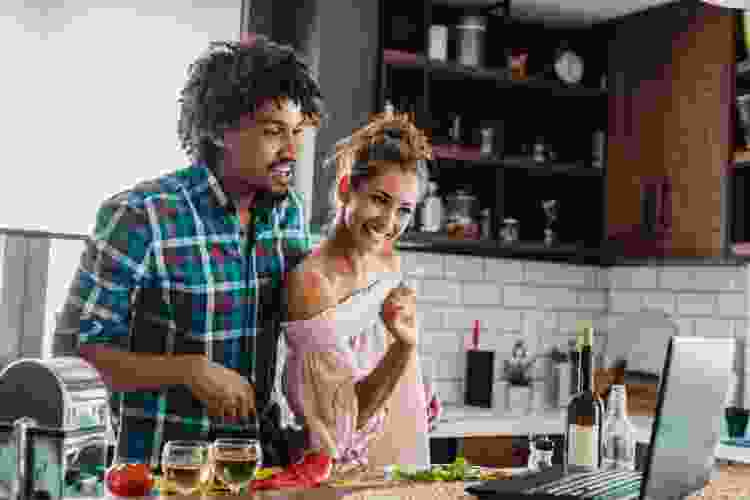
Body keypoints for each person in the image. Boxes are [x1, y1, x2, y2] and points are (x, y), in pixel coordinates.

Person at [52, 34, 325, 469]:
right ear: (218, 130)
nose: (291, 151)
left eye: (297, 132)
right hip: (162, 473)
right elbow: (74, 355)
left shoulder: (288, 215)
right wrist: (188, 370)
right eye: (274, 131)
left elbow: (311, 330)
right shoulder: (141, 216)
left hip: (258, 468)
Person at [253, 109, 433, 490]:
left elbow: (386, 342)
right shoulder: (313, 284)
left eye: (403, 210)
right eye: (380, 200)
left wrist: (422, 386)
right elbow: (340, 427)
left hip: (408, 448)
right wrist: (403, 348)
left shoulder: (387, 257)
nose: (389, 222)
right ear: (346, 188)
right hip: (353, 474)